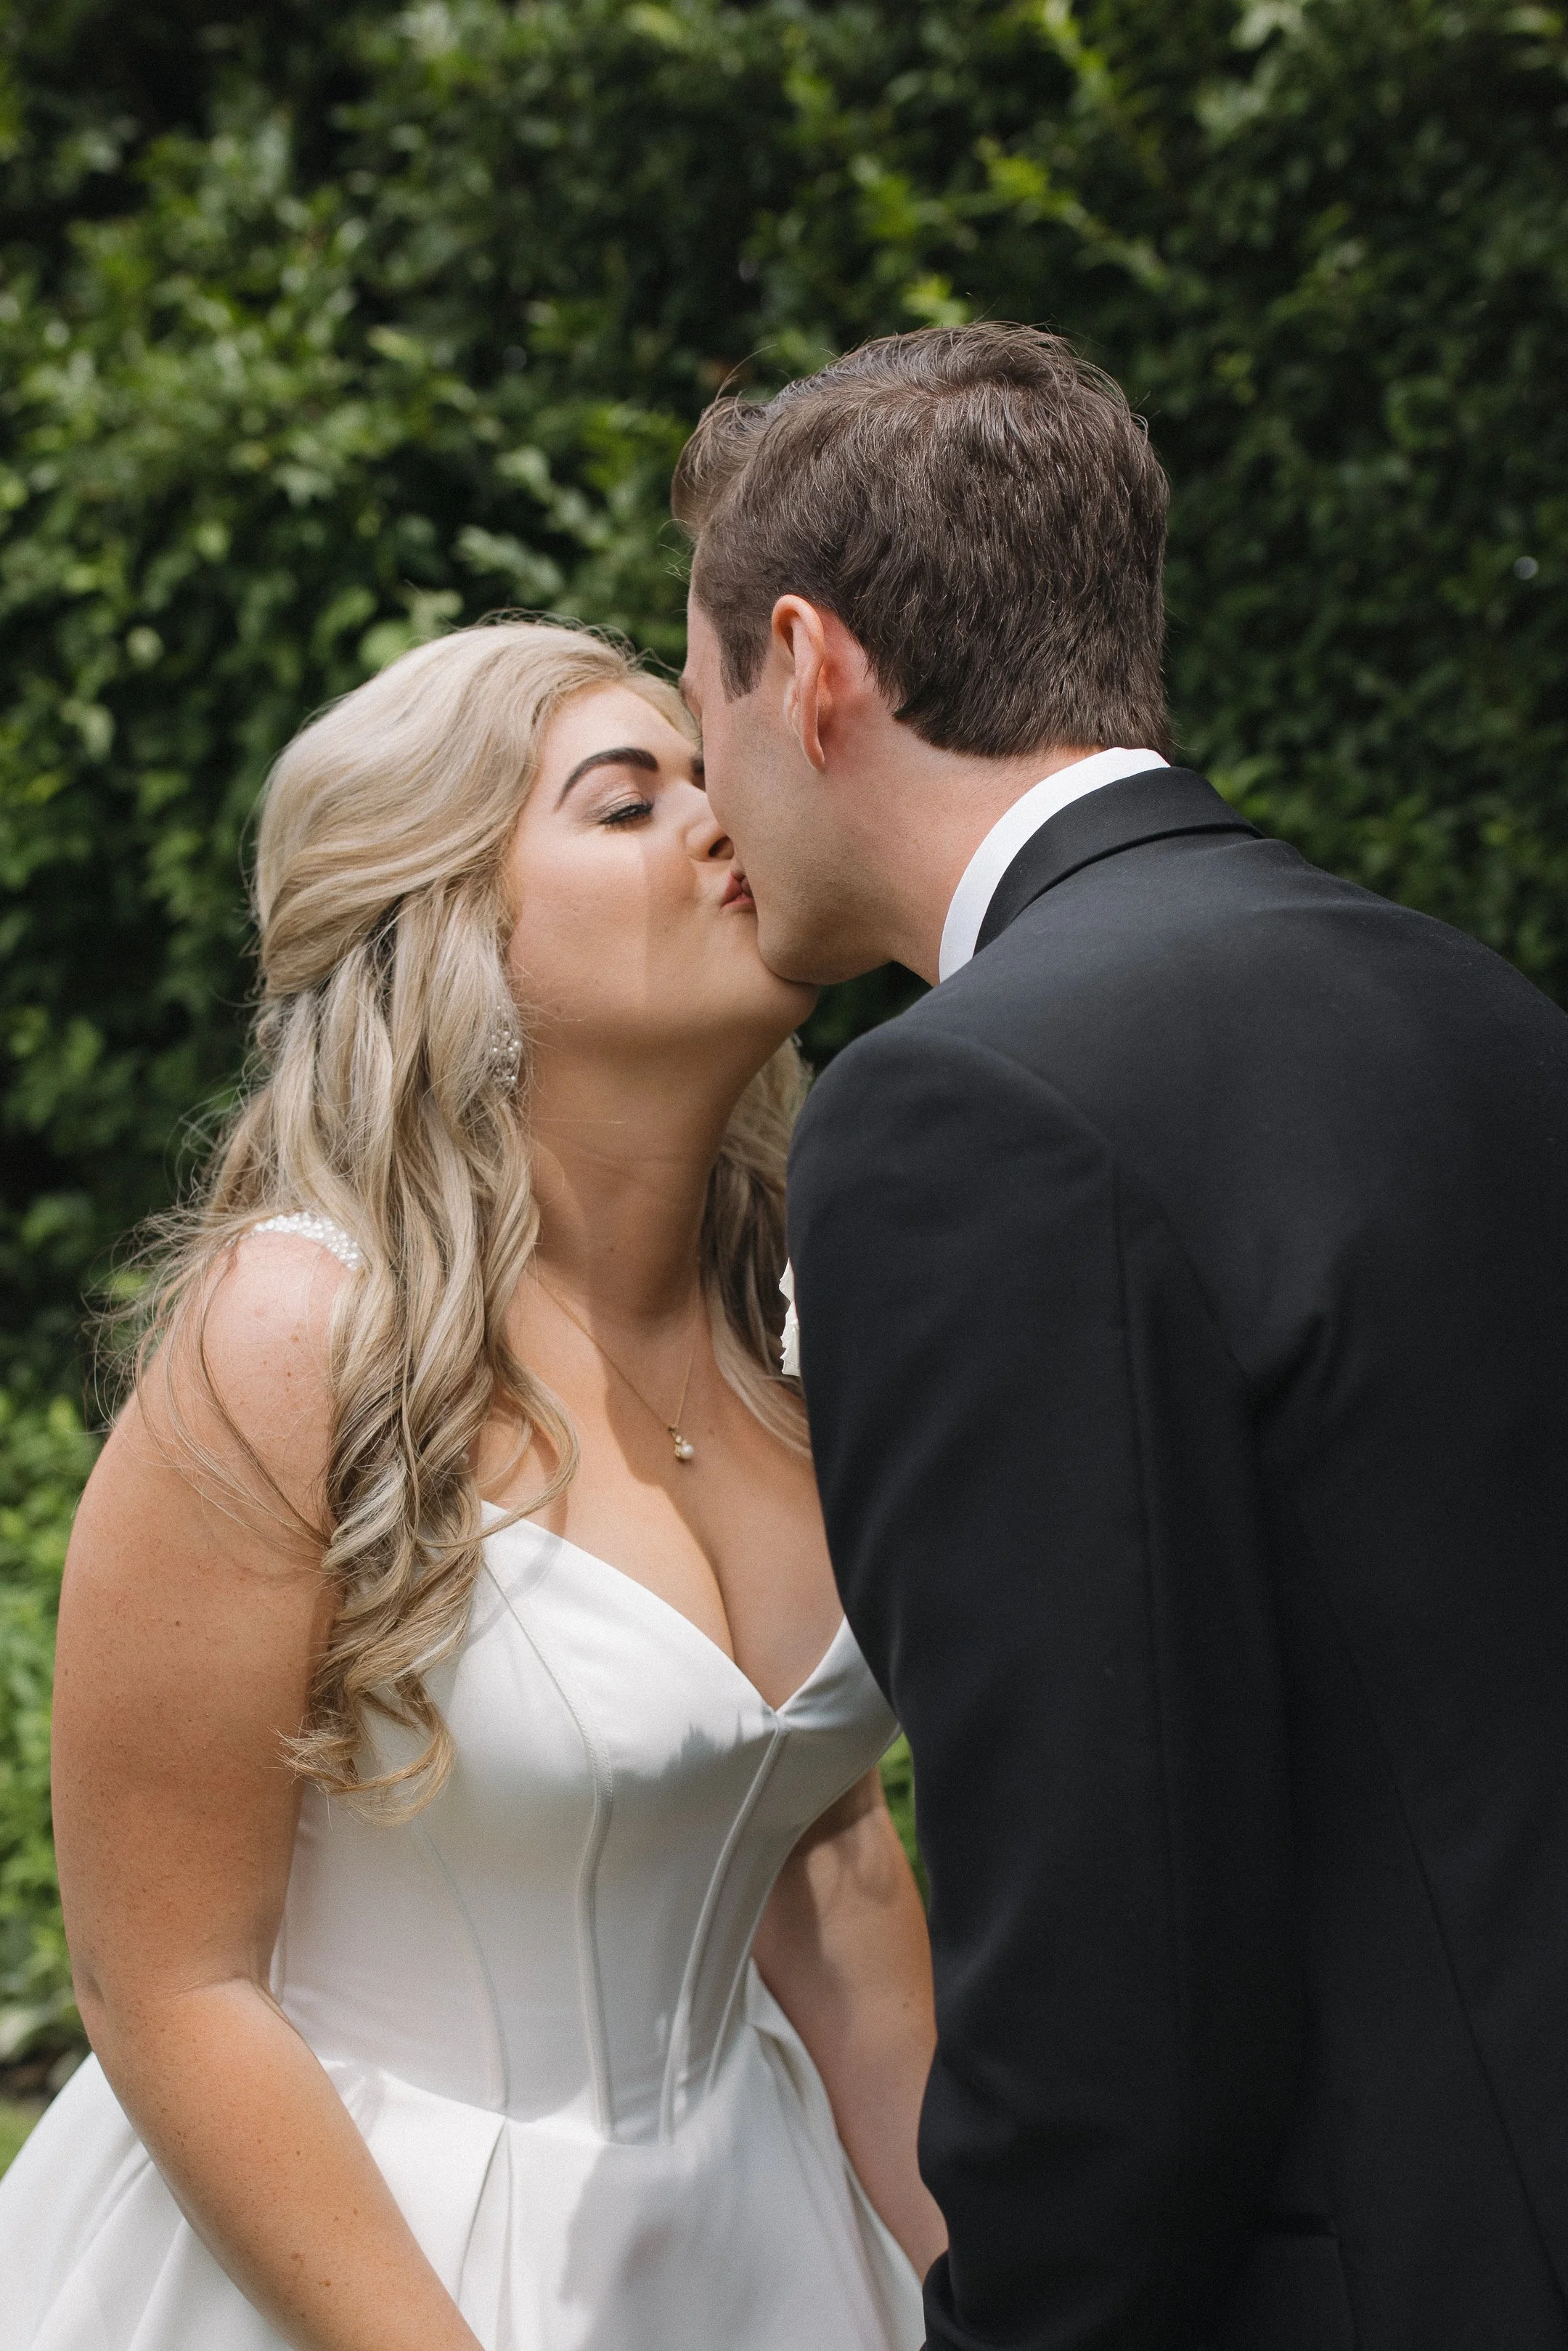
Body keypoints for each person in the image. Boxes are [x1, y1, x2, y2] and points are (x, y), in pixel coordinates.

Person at [674, 322, 1568, 2351]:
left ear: (810, 669)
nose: (710, 789)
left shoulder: (959, 1108)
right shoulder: (1476, 1004)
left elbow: (1102, 1935)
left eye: (700, 695)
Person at [0, 619, 943, 2351]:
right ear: (456, 930)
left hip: (765, 2250)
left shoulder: (806, 1317)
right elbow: (169, 1984)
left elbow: (832, 1858)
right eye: (624, 799)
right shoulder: (295, 1336)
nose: (721, 814)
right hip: (357, 2265)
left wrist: (991, 2288)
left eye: (705, 770)